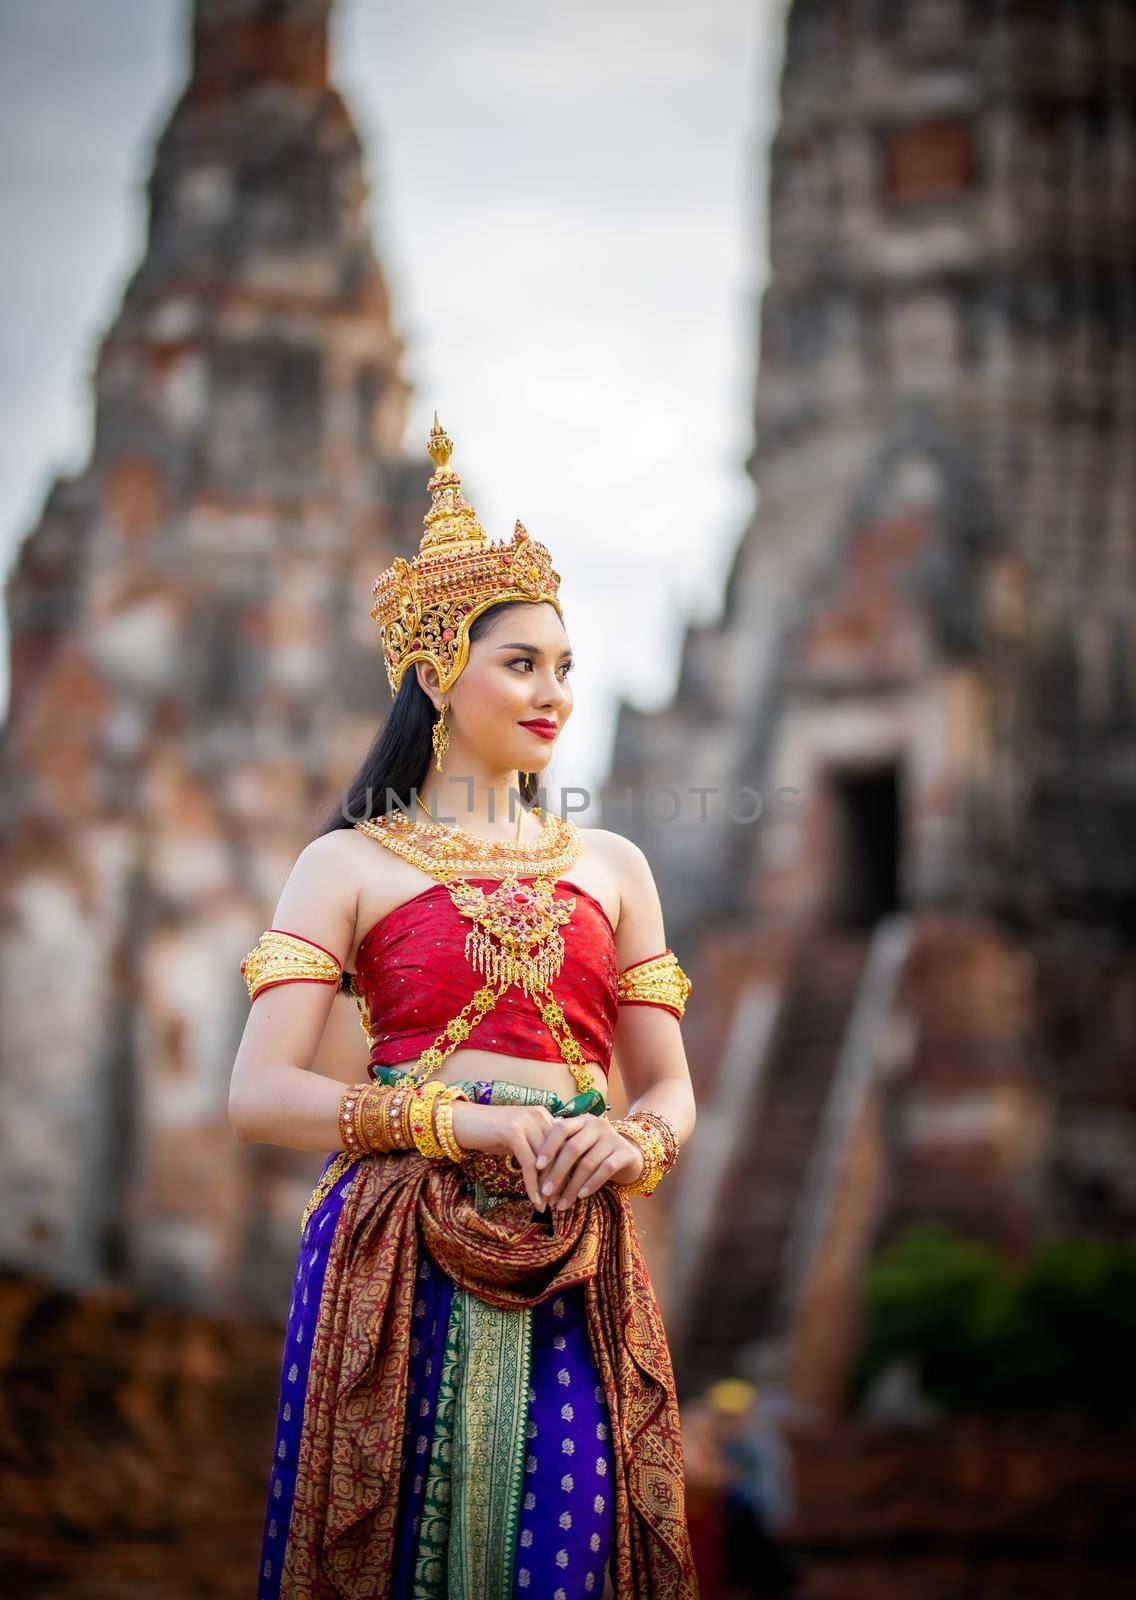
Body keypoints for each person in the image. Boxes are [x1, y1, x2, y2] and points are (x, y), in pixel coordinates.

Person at [228, 416, 701, 1599]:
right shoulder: (348, 863)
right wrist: (464, 1124)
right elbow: (260, 1091)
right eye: (521, 663)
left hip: (574, 1242)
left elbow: (670, 1085)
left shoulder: (611, 866)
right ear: (439, 672)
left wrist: (631, 1139)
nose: (554, 693)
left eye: (564, 666)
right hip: (398, 1249)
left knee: (572, 1549)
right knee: (399, 1550)